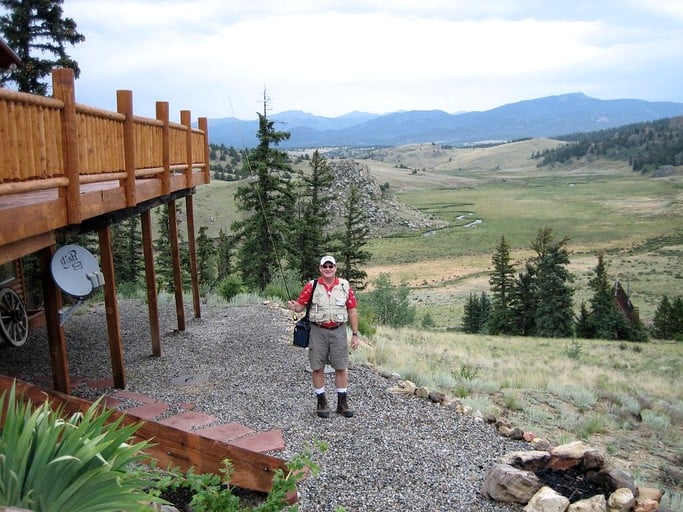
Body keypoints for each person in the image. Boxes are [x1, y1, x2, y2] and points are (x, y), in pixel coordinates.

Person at [288, 255, 360, 418]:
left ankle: (342, 403)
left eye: (331, 266)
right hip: (317, 331)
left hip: (339, 331)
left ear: (335, 268)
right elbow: (300, 307)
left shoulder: (344, 286)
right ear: (320, 268)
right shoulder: (311, 286)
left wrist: (355, 334)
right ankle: (321, 402)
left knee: (341, 367)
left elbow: (352, 310)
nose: (328, 269)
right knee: (317, 367)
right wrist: (294, 306)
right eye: (325, 266)